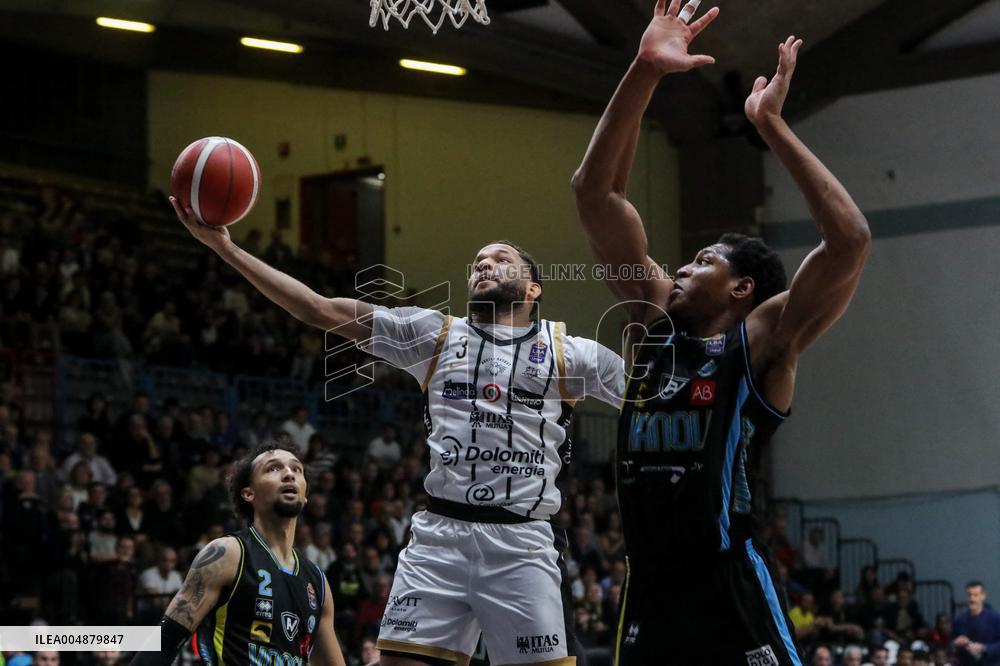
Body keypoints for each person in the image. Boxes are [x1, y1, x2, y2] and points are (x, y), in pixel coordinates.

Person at [171, 195, 625, 665]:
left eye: (501, 259)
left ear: (533, 289)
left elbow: (651, 399)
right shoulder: (435, 335)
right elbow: (319, 309)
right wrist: (225, 248)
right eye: (478, 262)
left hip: (522, 543)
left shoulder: (573, 353)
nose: (485, 264)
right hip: (440, 539)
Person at [572, 0, 871, 663]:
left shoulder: (762, 343)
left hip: (726, 582)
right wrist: (644, 72)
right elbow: (595, 193)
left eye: (703, 261)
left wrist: (771, 126)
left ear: (742, 290)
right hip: (648, 587)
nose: (679, 266)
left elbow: (848, 240)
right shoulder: (651, 320)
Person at [129, 443, 346, 666]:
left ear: (306, 494)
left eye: (296, 469)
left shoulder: (318, 582)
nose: (289, 474)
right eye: (273, 468)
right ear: (248, 493)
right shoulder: (227, 553)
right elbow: (165, 641)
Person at [952, 581, 1000, 665]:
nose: (972, 599)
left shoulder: (995, 618)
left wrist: (984, 648)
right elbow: (950, 642)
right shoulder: (960, 620)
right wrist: (955, 643)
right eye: (969, 595)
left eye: (975, 595)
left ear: (983, 595)